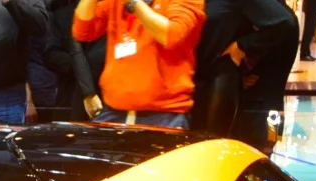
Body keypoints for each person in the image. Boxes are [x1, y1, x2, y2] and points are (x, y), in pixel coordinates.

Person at [73, 0, 204, 128]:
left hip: (164, 116)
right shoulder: (115, 2)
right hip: (113, 112)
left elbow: (171, 35)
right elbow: (82, 31)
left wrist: (134, 3)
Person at [194, 0, 294, 147]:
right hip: (264, 104)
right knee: (266, 149)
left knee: (264, 150)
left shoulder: (281, 19)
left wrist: (242, 48)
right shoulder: (269, 17)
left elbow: (286, 27)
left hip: (264, 107)